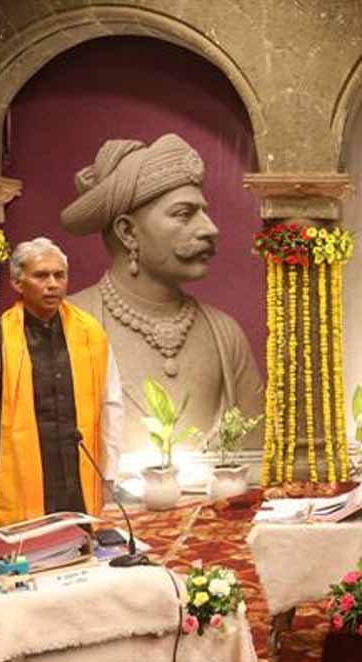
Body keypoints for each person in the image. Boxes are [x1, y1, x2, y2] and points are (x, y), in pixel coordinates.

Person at [59, 134, 263, 457]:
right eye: (184, 213)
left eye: (204, 212)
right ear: (128, 232)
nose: (209, 228)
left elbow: (254, 456)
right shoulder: (69, 326)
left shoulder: (224, 335)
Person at [0, 238, 123, 529]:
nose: (52, 284)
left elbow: (111, 405)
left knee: (83, 553)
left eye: (59, 275)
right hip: (18, 484)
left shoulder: (91, 334)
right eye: (41, 276)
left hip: (79, 480)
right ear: (17, 282)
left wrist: (108, 474)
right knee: (26, 555)